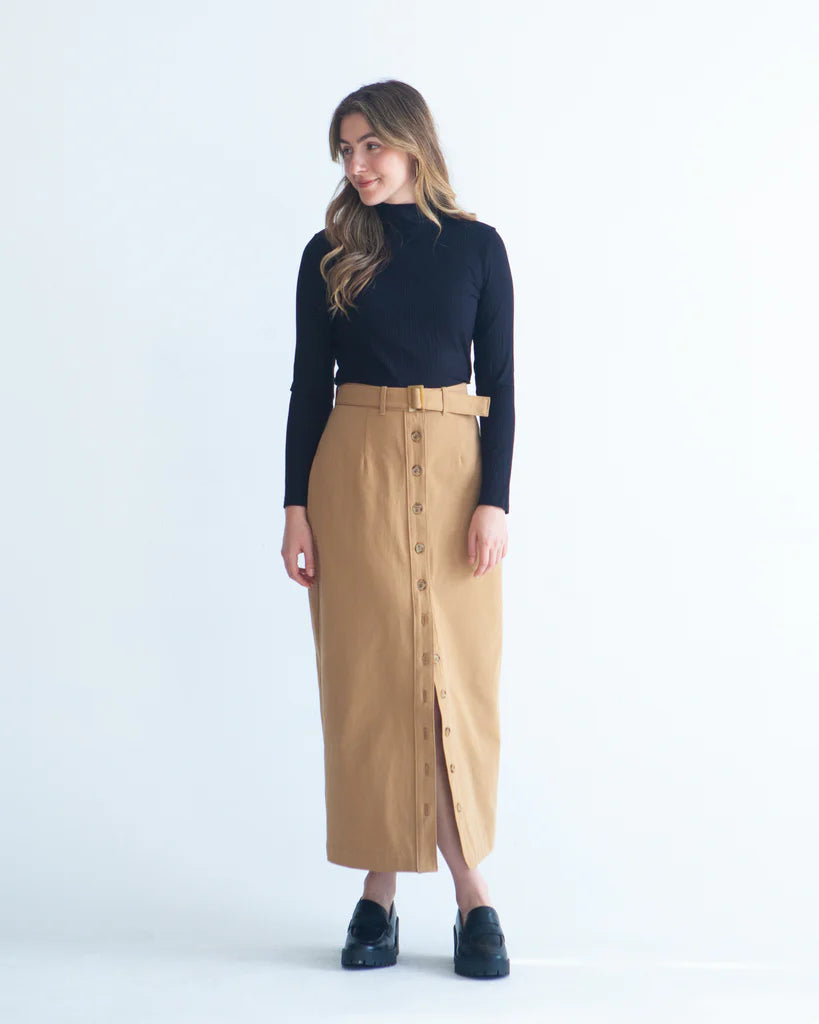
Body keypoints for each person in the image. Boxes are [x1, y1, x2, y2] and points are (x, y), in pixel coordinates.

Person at [281, 79, 515, 979]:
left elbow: (501, 381)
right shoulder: (329, 252)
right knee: (374, 682)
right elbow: (309, 385)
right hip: (356, 473)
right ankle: (382, 893)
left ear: (412, 142)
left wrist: (494, 499)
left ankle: (466, 890)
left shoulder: (477, 248)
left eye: (370, 145)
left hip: (456, 474)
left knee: (454, 682)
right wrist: (295, 507)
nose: (357, 164)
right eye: (345, 151)